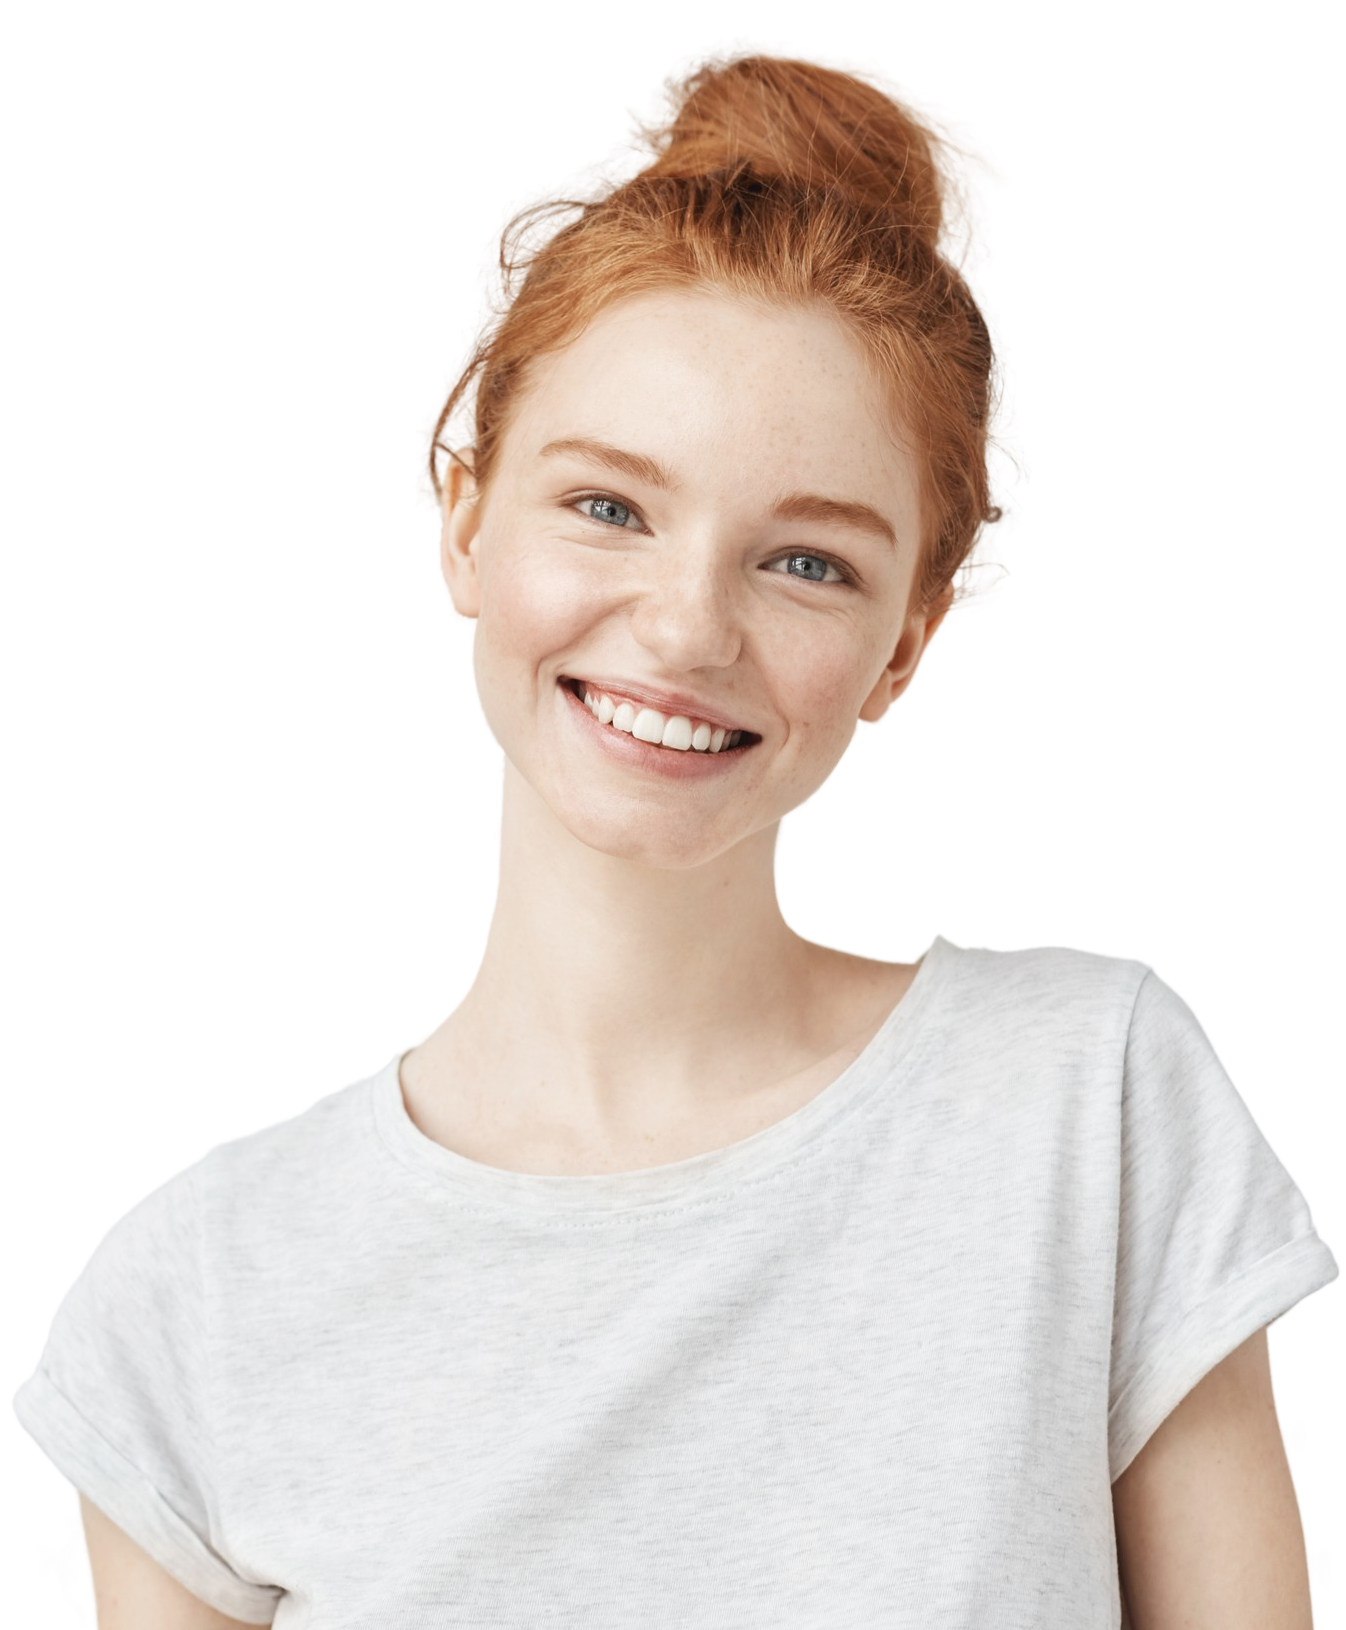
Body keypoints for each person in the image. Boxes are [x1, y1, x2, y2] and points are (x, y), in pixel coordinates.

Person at [10, 37, 1337, 1630]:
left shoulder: (1086, 1096)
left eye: (808, 563)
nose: (686, 628)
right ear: (462, 517)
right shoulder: (194, 1293)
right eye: (609, 507)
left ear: (901, 655)